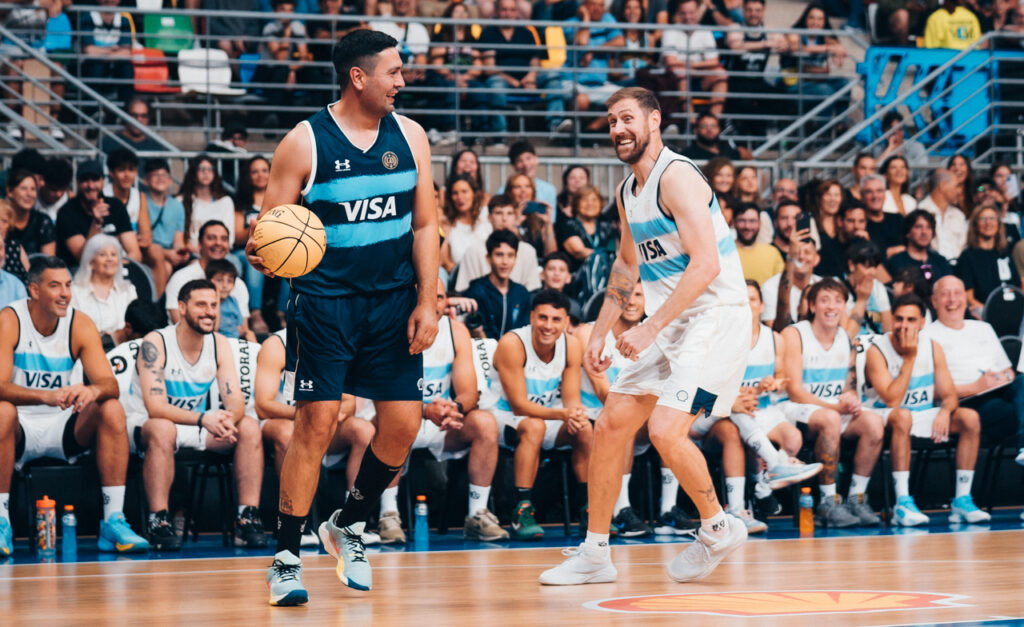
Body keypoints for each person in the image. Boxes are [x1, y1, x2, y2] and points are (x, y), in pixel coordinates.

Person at [245, 30, 439, 605]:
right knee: (318, 423)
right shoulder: (303, 142)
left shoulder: (412, 136)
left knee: (403, 425)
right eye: (394, 73)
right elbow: (267, 233)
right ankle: (285, 557)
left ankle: (347, 523)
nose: (402, 81)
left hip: (394, 301)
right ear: (359, 77)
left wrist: (428, 301)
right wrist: (264, 251)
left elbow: (425, 225)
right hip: (326, 302)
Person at [540, 87, 751, 586]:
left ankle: (719, 526)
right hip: (675, 320)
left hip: (716, 317)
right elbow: (627, 263)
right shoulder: (625, 191)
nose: (618, 129)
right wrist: (601, 329)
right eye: (612, 121)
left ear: (654, 121)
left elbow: (706, 265)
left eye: (628, 118)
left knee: (663, 431)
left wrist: (649, 326)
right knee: (611, 423)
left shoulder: (676, 177)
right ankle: (595, 552)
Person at [0, 256, 149, 556]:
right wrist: (45, 396)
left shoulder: (79, 323)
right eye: (55, 286)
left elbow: (110, 384)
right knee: (2, 410)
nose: (65, 293)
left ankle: (113, 521)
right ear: (34, 290)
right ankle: (1, 520)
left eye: (68, 285)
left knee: (111, 408)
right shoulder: (9, 320)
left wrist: (90, 389)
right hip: (19, 425)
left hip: (64, 425)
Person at [125, 279, 266, 551]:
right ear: (181, 307)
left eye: (214, 305)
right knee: (163, 428)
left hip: (195, 424)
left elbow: (235, 399)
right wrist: (205, 419)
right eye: (201, 304)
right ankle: (159, 520)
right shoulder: (156, 342)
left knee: (248, 426)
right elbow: (155, 407)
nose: (209, 312)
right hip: (146, 426)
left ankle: (247, 517)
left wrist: (228, 419)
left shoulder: (219, 343)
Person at [374, 279, 507, 542]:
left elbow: (470, 392)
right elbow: (384, 395)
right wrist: (425, 410)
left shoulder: (456, 331)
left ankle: (477, 513)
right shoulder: (390, 330)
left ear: (447, 302)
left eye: (439, 297)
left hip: (442, 421)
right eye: (426, 296)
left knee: (485, 423)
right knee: (396, 422)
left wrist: (454, 407)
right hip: (397, 419)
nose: (433, 303)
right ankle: (388, 514)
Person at [864, 293, 990, 526]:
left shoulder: (932, 347)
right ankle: (902, 501)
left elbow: (950, 395)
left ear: (923, 322)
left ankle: (961, 500)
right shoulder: (876, 350)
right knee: (903, 416)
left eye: (911, 320)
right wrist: (910, 359)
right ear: (891, 320)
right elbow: (892, 399)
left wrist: (944, 411)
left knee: (969, 418)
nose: (904, 325)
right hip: (883, 415)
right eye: (899, 319)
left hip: (921, 414)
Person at [781, 278, 886, 528]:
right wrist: (835, 409)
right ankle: (828, 502)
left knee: (874, 423)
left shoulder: (847, 337)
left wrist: (850, 398)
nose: (832, 307)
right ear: (812, 306)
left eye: (838, 301)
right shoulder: (795, 334)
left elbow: (849, 384)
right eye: (825, 300)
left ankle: (856, 498)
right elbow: (794, 390)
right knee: (831, 418)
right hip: (794, 410)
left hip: (833, 409)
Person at [255, 331, 375, 546]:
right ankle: (297, 521)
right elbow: (263, 405)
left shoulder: (335, 341)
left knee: (363, 430)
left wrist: (336, 414)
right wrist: (310, 417)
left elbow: (349, 401)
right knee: (287, 434)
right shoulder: (276, 345)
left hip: (325, 424)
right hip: (283, 420)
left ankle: (350, 521)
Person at [492, 289, 591, 540]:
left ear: (566, 322)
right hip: (503, 417)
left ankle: (590, 508)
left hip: (546, 416)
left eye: (556, 320)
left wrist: (576, 414)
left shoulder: (571, 344)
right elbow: (519, 405)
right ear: (531, 317)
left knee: (585, 429)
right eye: (543, 318)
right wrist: (562, 414)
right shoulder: (512, 343)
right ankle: (522, 510)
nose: (549, 326)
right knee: (533, 426)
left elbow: (571, 398)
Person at [928, 275, 1024, 465]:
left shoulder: (983, 328)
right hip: (962, 405)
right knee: (1007, 410)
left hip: (998, 391)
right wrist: (976, 387)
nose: (952, 300)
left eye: (957, 293)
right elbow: (928, 391)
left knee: (1023, 381)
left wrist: (1000, 378)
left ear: (965, 297)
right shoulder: (927, 336)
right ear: (934, 301)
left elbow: (1010, 372)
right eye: (945, 294)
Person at [104, 149, 168, 296]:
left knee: (156, 251)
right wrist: (128, 238)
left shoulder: (139, 196)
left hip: (134, 248)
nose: (127, 175)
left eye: (131, 170)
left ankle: (159, 303)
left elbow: (146, 237)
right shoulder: (103, 194)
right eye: (121, 170)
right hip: (109, 250)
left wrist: (128, 240)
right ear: (112, 173)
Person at [56, 160, 142, 267]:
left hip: (114, 269)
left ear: (103, 182)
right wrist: (96, 223)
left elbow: (135, 253)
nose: (91, 185)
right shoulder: (67, 212)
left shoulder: (115, 206)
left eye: (95, 179)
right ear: (77, 183)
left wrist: (116, 268)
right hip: (78, 272)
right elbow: (83, 259)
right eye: (85, 180)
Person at [166, 221, 249, 324]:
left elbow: (243, 328)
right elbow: (178, 325)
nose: (218, 243)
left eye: (224, 239)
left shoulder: (238, 284)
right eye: (211, 238)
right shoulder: (181, 278)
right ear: (200, 244)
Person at [454, 194, 541, 293]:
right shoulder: (473, 251)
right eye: (499, 213)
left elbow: (532, 290)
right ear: (489, 217)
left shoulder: (528, 251)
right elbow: (463, 289)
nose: (504, 219)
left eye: (509, 213)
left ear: (516, 217)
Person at [661, 0, 729, 118]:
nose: (688, 17)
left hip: (698, 77)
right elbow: (671, 62)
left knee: (721, 74)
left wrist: (691, 66)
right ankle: (692, 123)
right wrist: (697, 66)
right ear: (678, 14)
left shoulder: (705, 31)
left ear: (698, 12)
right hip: (675, 80)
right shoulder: (670, 31)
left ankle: (712, 122)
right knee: (682, 74)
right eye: (684, 13)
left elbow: (714, 61)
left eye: (691, 13)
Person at [462, 230, 533, 339]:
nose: (505, 261)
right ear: (488, 258)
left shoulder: (522, 293)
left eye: (510, 255)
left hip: (515, 353)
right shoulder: (475, 291)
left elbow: (525, 332)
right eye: (499, 255)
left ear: (515, 258)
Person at [70, 234, 138, 347]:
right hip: (86, 350)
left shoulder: (129, 291)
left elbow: (136, 325)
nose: (110, 259)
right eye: (102, 255)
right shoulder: (75, 291)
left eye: (113, 254)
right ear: (91, 262)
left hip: (123, 351)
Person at [956, 204, 1020, 317]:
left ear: (998, 223)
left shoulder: (1005, 253)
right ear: (975, 225)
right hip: (984, 314)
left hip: (1013, 311)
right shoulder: (967, 257)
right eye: (983, 219)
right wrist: (990, 312)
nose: (988, 223)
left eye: (992, 218)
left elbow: (1017, 287)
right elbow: (969, 297)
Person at [76, 0, 133, 103]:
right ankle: (93, 112)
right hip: (92, 67)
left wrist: (101, 52)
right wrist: (112, 49)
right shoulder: (87, 18)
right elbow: (89, 51)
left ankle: (125, 111)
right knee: (97, 67)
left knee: (126, 69)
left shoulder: (124, 20)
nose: (109, 0)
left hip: (116, 66)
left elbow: (126, 53)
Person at [555, 184, 619, 275]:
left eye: (594, 199)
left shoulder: (607, 227)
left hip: (606, 276)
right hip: (577, 278)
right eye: (584, 199)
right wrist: (608, 256)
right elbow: (578, 251)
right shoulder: (567, 225)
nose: (590, 204)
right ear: (576, 203)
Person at [178, 156, 236, 251]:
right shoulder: (181, 200)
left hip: (220, 253)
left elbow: (230, 238)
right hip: (192, 253)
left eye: (210, 169)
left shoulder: (225, 202)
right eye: (201, 169)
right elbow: (179, 237)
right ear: (193, 172)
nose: (206, 172)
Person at [762, 239, 821, 330]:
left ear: (816, 259)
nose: (801, 256)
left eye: (807, 252)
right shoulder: (770, 287)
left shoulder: (825, 285)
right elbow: (775, 330)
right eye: (796, 252)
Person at [142, 159, 189, 271]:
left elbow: (178, 240)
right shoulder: (141, 201)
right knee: (165, 267)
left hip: (170, 253)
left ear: (170, 180)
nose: (160, 178)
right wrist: (166, 254)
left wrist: (181, 252)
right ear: (146, 180)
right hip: (147, 253)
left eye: (164, 174)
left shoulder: (177, 206)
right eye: (155, 175)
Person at [885, 209, 955, 281]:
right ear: (908, 233)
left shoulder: (940, 261)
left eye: (929, 227)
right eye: (918, 227)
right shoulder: (896, 262)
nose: (924, 232)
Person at [441, 174, 491, 274]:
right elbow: (445, 262)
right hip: (460, 276)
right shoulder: (447, 224)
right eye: (455, 193)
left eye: (464, 191)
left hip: (489, 274)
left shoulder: (486, 218)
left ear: (474, 194)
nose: (460, 197)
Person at [844, 239, 894, 337]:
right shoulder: (838, 288)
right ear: (851, 265)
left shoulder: (877, 287)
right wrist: (862, 300)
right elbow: (848, 334)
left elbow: (888, 330)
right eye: (867, 266)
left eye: (875, 267)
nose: (873, 272)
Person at [918, 168, 968, 261]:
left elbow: (965, 246)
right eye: (956, 186)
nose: (959, 191)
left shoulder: (959, 215)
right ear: (942, 186)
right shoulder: (921, 211)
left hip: (958, 268)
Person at [6, 168, 56, 257]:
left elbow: (49, 261)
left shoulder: (43, 221)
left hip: (36, 270)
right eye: (23, 188)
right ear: (10, 191)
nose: (29, 194)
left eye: (33, 189)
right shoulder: (2, 221)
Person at [205, 258, 255, 342]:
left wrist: (248, 336)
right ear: (210, 281)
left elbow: (241, 329)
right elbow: (214, 329)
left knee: (250, 334)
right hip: (217, 342)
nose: (225, 285)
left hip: (235, 341)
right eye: (220, 280)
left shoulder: (233, 301)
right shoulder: (208, 303)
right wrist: (216, 296)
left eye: (229, 281)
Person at [734, 203, 784, 286]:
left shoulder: (772, 252)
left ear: (760, 223)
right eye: (742, 220)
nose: (747, 226)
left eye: (752, 221)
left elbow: (780, 286)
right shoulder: (723, 252)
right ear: (734, 223)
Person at [99, 98, 166, 156]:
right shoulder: (109, 142)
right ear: (126, 116)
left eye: (143, 116)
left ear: (148, 118)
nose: (139, 119)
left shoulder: (155, 146)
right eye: (134, 115)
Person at [863, 173, 905, 257]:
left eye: (879, 191)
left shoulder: (898, 219)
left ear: (885, 194)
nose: (875, 196)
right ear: (862, 196)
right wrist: (892, 251)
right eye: (869, 192)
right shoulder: (859, 223)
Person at [681, 113, 746, 161]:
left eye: (713, 126)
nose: (709, 129)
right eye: (704, 126)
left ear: (719, 129)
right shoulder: (688, 155)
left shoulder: (728, 150)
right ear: (696, 130)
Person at [36, 157, 73, 221]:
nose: (58, 194)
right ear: (43, 184)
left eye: (63, 189)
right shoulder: (33, 199)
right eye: (53, 189)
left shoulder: (70, 200)